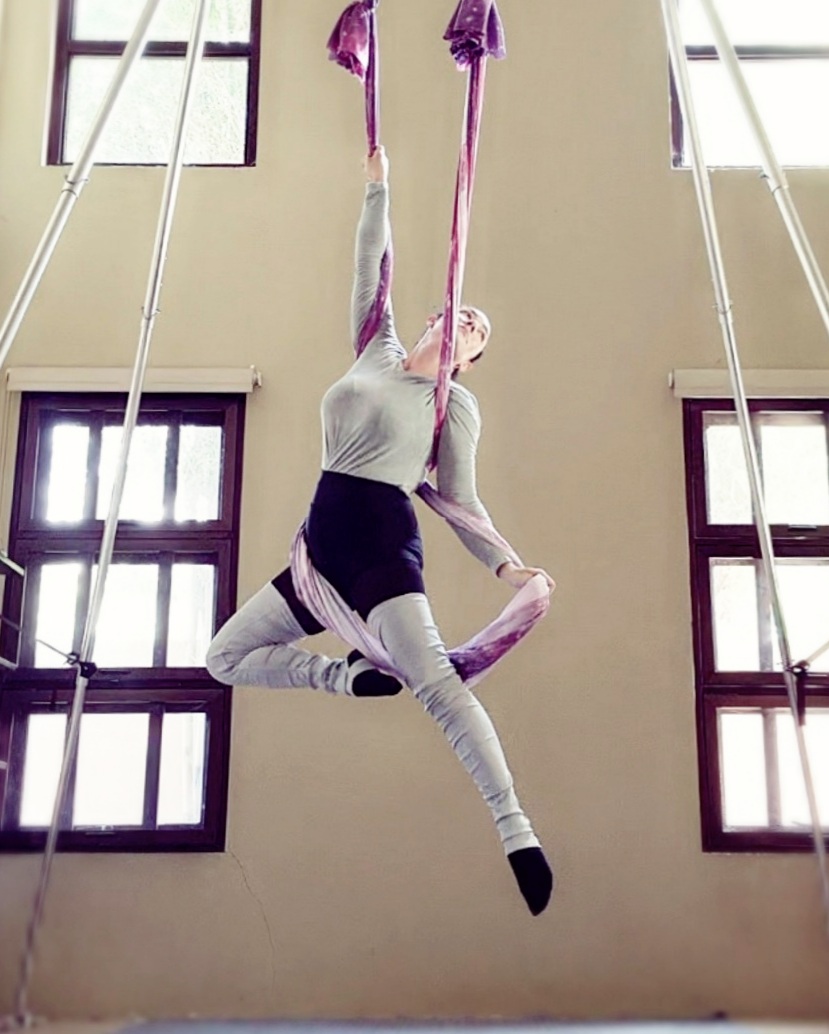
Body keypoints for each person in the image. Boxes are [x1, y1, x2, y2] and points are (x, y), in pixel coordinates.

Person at [206, 145, 554, 916]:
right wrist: (377, 187)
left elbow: (462, 500)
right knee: (224, 657)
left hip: (379, 539)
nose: (466, 323)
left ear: (469, 361)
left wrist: (507, 569)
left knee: (434, 685)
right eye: (462, 313)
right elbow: (372, 264)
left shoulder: (450, 406)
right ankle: (344, 678)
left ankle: (516, 829)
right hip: (319, 544)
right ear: (435, 315)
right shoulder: (377, 348)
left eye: (477, 333)